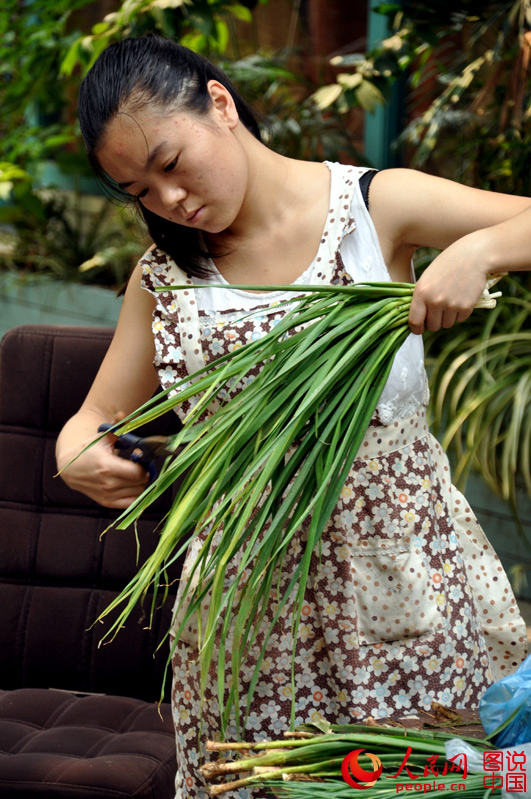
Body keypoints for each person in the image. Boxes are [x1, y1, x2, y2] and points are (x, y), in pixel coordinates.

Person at [55, 34, 530, 799]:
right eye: (139, 191)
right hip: (246, 617)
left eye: (171, 164)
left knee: (416, 781)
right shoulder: (164, 275)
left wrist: (480, 254)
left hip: (402, 587)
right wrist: (76, 451)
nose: (169, 201)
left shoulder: (374, 208)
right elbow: (95, 416)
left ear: (217, 103)